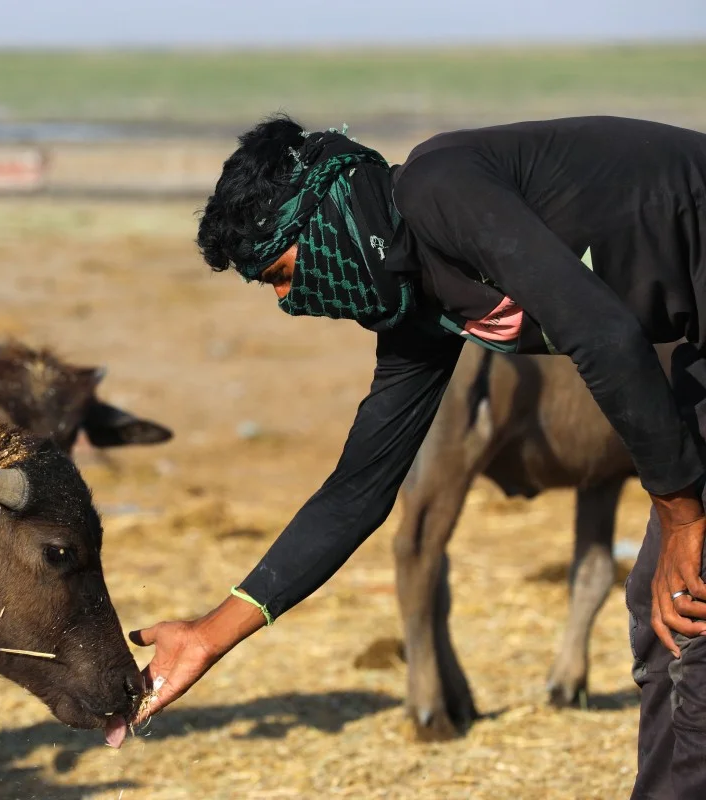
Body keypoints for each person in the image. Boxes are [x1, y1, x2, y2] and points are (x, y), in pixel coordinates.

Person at [129, 114, 706, 799]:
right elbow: (355, 494)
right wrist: (207, 635)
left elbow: (605, 336)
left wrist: (683, 519)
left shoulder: (440, 185)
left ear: (325, 220)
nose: (290, 302)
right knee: (665, 608)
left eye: (283, 274)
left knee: (691, 611)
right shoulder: (421, 308)